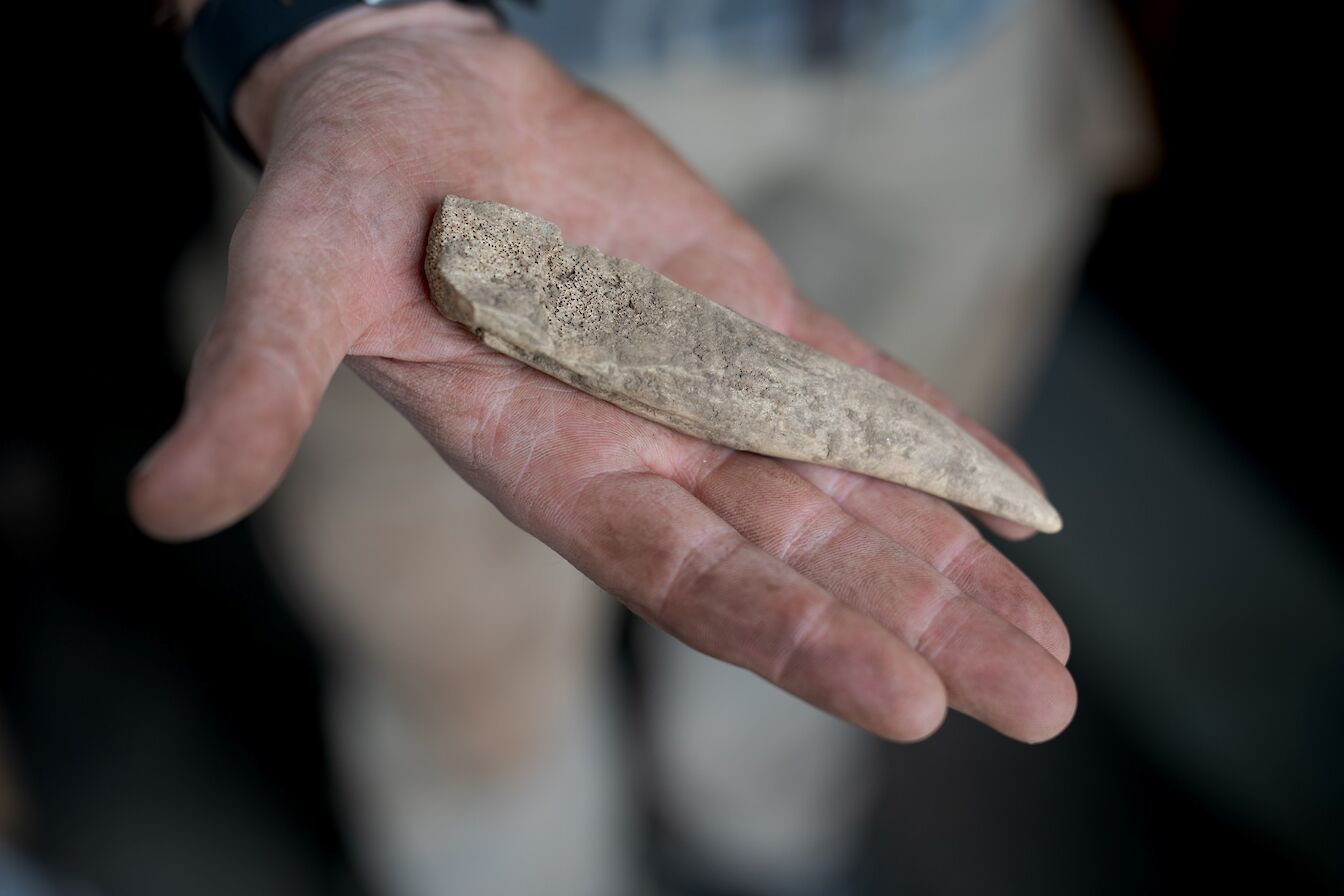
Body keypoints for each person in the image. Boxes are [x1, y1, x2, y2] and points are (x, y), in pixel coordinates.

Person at [136, 0, 1074, 751]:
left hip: (952, 41)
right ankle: (501, 813)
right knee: (452, 628)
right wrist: (327, 20)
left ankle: (755, 785)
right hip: (491, 54)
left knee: (842, 604)